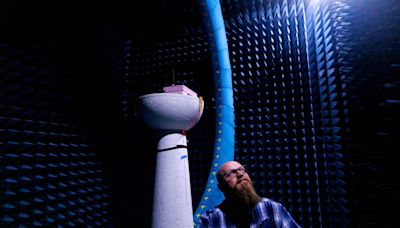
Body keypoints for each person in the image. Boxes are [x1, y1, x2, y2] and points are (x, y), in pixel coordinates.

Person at [199, 161, 300, 228]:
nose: (240, 174)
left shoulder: (273, 209)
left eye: (242, 169)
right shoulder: (211, 220)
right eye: (231, 173)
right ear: (221, 187)